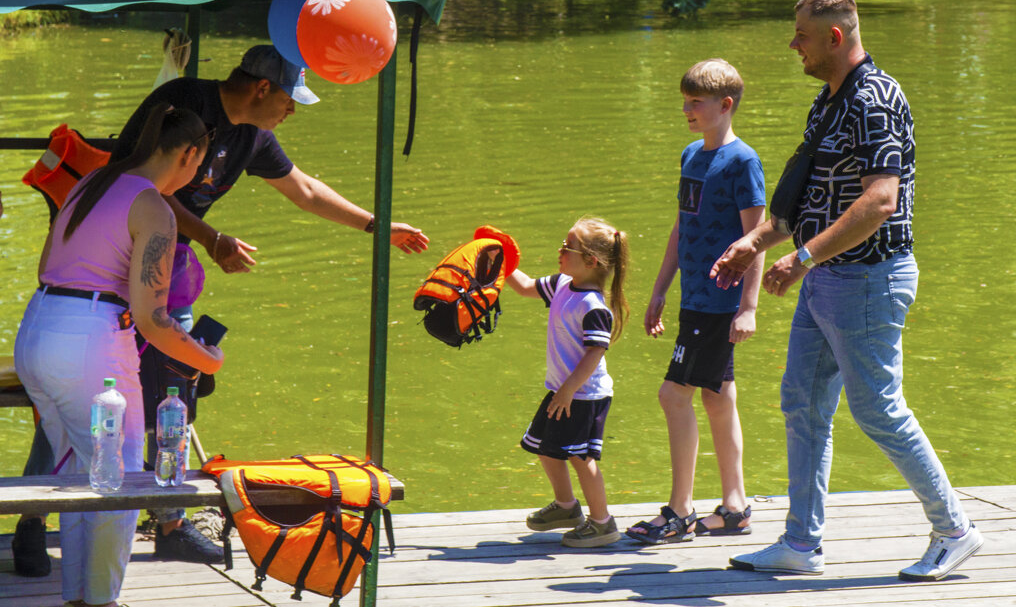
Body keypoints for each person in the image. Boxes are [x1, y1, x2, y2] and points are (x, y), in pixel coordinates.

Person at [14, 44, 429, 568]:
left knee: (173, 403)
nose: (292, 110)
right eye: (288, 99)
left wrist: (377, 225)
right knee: (82, 419)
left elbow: (302, 188)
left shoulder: (253, 135)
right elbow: (143, 183)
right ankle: (33, 523)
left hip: (164, 277)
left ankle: (169, 522)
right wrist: (210, 237)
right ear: (262, 88)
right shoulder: (185, 105)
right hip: (122, 270)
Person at [711, 0, 983, 581]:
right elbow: (803, 196)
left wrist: (802, 257)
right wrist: (754, 243)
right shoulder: (826, 103)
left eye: (802, 36)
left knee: (878, 410)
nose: (793, 46)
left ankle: (954, 529)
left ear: (835, 37)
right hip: (827, 280)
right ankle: (801, 543)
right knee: (802, 405)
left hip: (867, 279)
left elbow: (880, 202)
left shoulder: (876, 100)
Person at [14, 104, 224, 607]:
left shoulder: (90, 183)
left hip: (37, 330)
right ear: (190, 153)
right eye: (203, 163)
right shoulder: (153, 206)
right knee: (120, 474)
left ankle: (80, 598)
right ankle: (103, 599)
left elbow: (48, 265)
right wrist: (205, 358)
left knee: (75, 473)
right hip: (88, 343)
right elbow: (152, 317)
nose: (202, 174)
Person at [626, 59, 766, 545]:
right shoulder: (691, 155)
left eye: (696, 102)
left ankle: (680, 512)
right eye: (684, 101)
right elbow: (681, 227)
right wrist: (661, 288)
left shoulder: (743, 161)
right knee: (716, 397)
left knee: (673, 394)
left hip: (722, 302)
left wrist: (748, 307)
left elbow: (757, 238)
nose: (686, 109)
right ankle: (734, 507)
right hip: (693, 299)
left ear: (725, 106)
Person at [504, 217, 629, 548]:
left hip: (583, 395)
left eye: (567, 247)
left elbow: (594, 353)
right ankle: (566, 508)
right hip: (562, 391)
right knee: (545, 448)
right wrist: (501, 259)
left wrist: (569, 390)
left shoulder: (594, 306)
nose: (560, 251)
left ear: (591, 261)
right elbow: (525, 286)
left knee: (579, 456)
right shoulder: (562, 284)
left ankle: (603, 523)